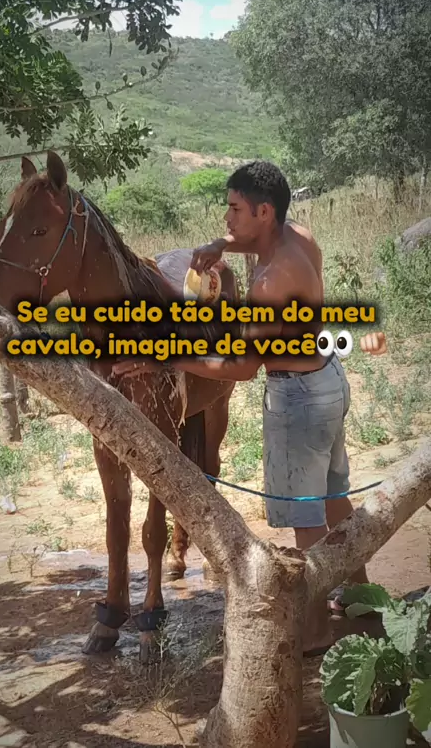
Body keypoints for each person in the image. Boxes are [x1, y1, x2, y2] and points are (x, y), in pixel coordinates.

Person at [112, 160, 387, 648]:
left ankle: (314, 630)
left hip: (297, 400)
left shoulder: (268, 284)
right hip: (327, 380)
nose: (227, 218)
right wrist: (223, 245)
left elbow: (241, 367)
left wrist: (164, 357)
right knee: (335, 497)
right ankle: (361, 597)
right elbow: (259, 241)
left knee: (305, 516)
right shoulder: (300, 238)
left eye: (235, 210)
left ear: (264, 212)